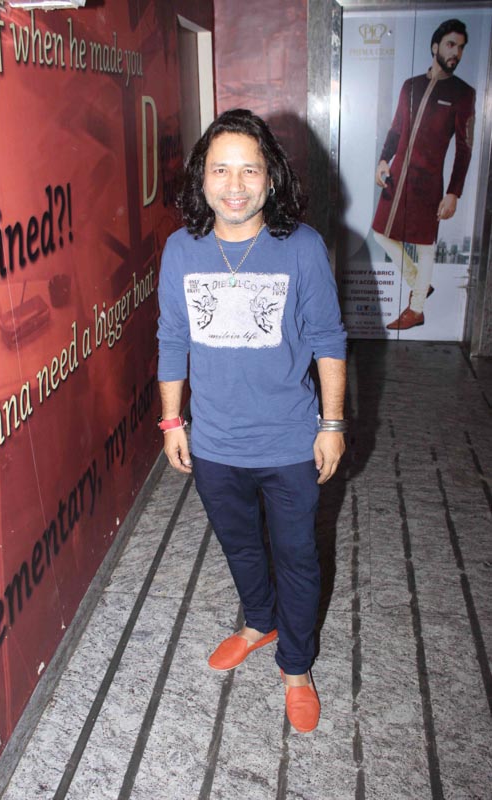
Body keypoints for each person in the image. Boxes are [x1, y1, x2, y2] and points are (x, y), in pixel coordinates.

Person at [157, 109, 347, 733]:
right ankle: (260, 622)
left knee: (297, 556)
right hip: (215, 443)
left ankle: (296, 666)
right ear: (201, 178)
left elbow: (327, 340)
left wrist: (332, 424)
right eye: (220, 170)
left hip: (290, 441)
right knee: (239, 545)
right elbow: (171, 338)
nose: (234, 185)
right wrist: (172, 421)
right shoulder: (181, 250)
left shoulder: (303, 247)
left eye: (249, 170)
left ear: (271, 178)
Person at [372, 18, 475, 331]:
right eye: (450, 44)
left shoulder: (463, 94)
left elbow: (464, 148)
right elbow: (396, 129)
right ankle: (420, 282)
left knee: (426, 245)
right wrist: (383, 159)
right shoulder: (411, 86)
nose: (456, 52)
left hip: (428, 183)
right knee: (381, 233)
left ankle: (416, 309)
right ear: (435, 46)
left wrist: (454, 192)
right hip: (397, 176)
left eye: (461, 47)